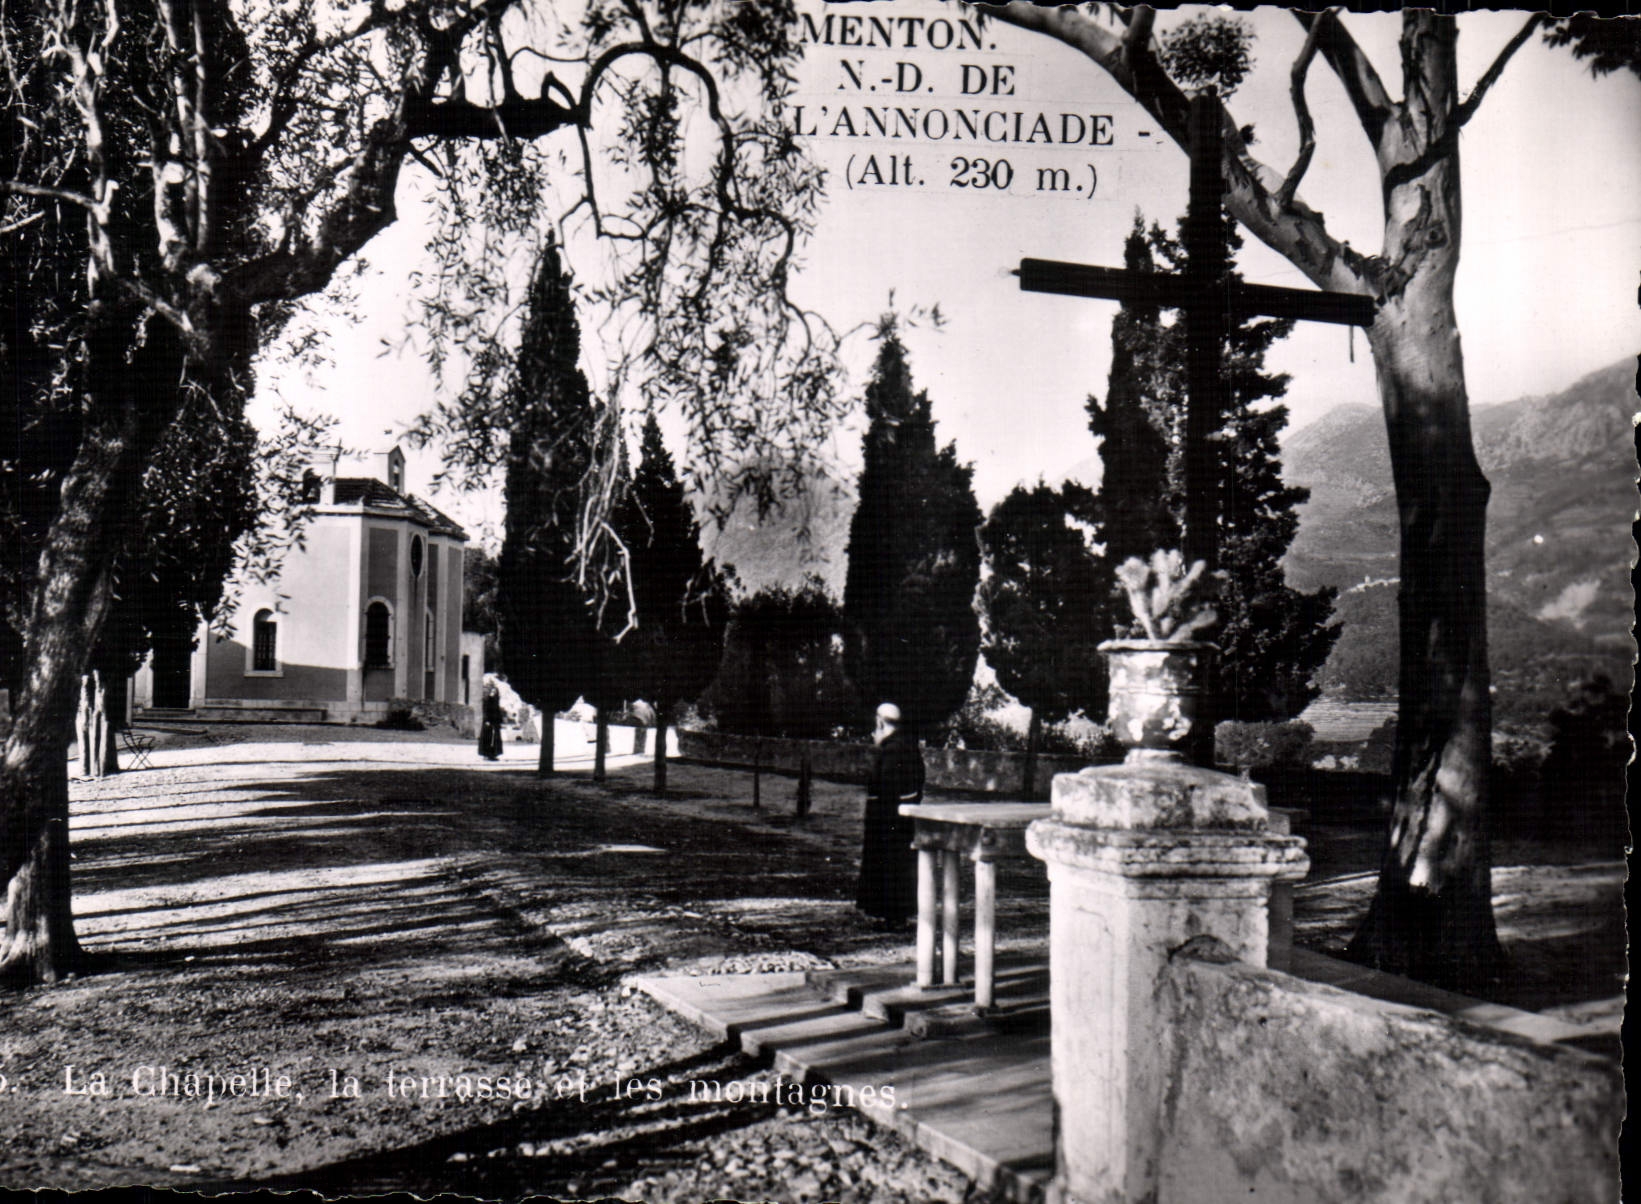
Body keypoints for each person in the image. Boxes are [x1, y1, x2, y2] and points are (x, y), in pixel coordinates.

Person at [856, 701, 924, 922]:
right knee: (900, 865)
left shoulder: (890, 750)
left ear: (880, 722)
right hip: (905, 816)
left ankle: (891, 916)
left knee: (887, 865)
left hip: (886, 818)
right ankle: (897, 915)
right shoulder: (910, 747)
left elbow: (884, 785)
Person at [477, 682, 504, 761]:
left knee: (494, 739)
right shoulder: (487, 699)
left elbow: (497, 711)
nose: (493, 693)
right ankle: (486, 754)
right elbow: (486, 711)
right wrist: (487, 720)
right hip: (488, 722)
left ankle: (493, 754)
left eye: (495, 691)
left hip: (495, 722)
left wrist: (499, 721)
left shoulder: (496, 700)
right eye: (492, 691)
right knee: (487, 738)